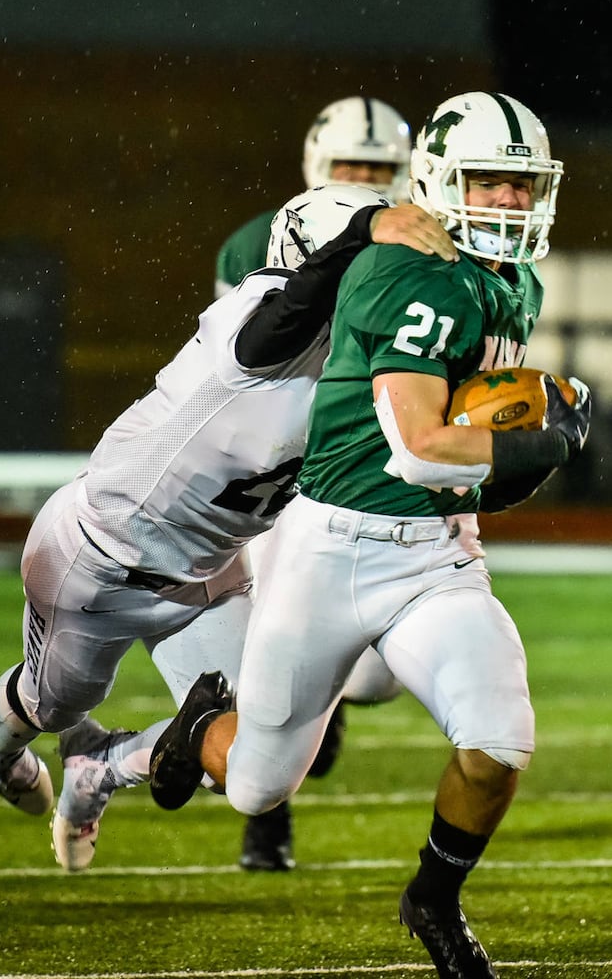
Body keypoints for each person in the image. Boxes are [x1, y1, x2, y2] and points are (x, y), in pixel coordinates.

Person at [146, 91, 589, 979]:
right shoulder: (408, 272)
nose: (507, 202)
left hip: (433, 553)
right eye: (489, 183)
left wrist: (508, 462)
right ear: (438, 180)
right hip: (330, 543)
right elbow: (421, 446)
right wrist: (546, 437)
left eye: (520, 185)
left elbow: (459, 460)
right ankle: (200, 727)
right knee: (258, 785)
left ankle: (434, 899)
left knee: (498, 741)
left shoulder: (516, 281)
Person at [0, 184, 457, 871]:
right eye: (370, 272)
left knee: (250, 750)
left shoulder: (362, 367)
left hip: (210, 572)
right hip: (101, 558)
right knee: (51, 706)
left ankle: (98, 768)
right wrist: (369, 228)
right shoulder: (257, 319)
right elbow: (289, 316)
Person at [215, 94, 415, 869]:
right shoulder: (261, 242)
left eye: (378, 171)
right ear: (315, 170)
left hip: (375, 466)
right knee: (270, 649)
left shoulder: (430, 248)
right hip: (288, 467)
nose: (363, 183)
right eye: (349, 170)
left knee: (371, 682)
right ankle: (265, 822)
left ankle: (323, 719)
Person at [215, 96, 413, 296]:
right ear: (317, 164)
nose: (365, 174)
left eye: (378, 165)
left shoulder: (416, 233)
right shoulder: (258, 240)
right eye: (350, 162)